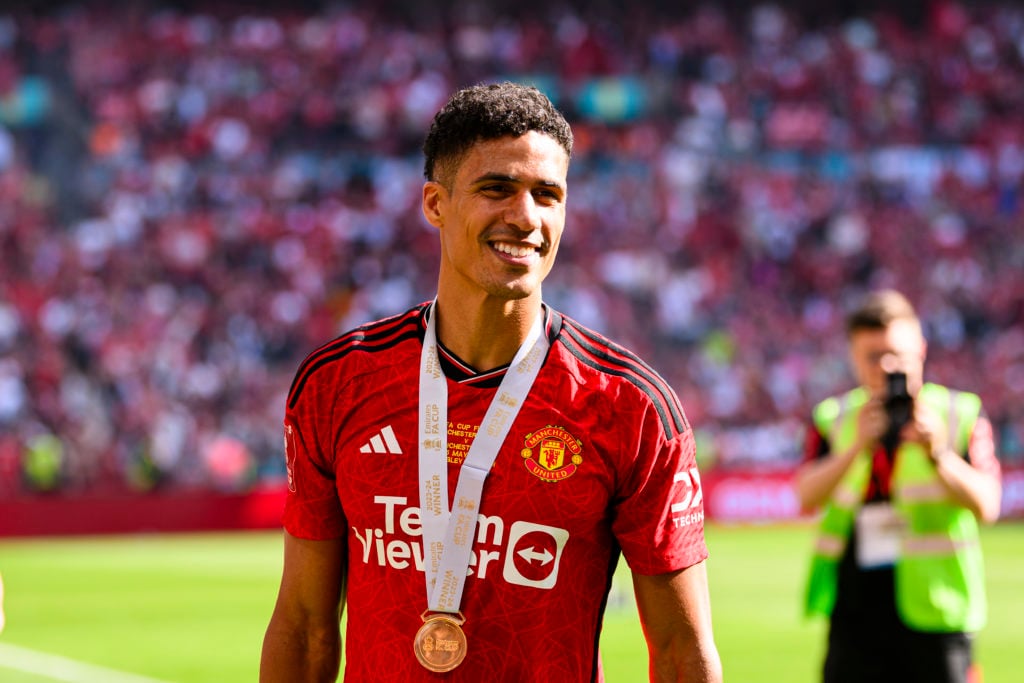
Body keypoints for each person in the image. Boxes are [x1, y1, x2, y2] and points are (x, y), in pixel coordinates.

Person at [260, 82, 721, 682]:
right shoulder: (339, 383)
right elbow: (303, 625)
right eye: (497, 188)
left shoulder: (630, 407)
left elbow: (685, 654)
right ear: (435, 204)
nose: (526, 217)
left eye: (547, 195)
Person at [796, 289, 1002, 683]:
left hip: (936, 607)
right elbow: (805, 495)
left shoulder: (960, 414)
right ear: (853, 358)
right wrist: (857, 445)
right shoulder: (834, 418)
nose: (887, 367)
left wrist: (940, 452)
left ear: (922, 349)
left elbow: (988, 505)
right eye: (873, 357)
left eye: (898, 356)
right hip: (854, 608)